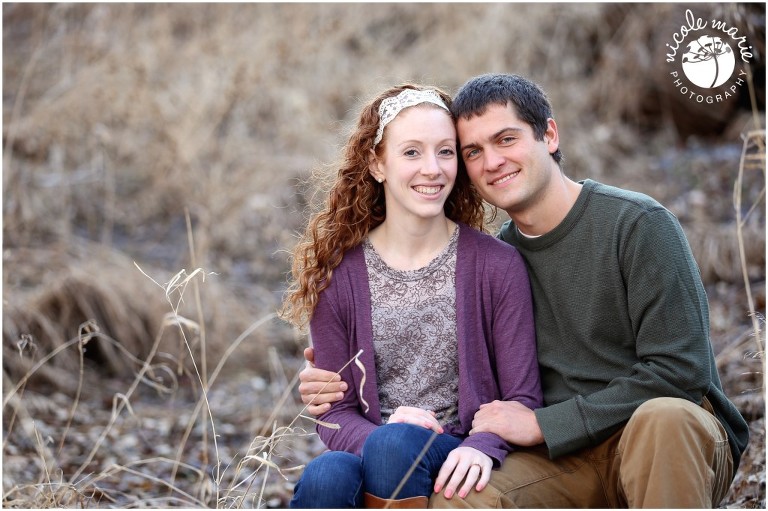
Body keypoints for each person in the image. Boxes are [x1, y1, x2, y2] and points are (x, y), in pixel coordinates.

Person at [297, 73, 750, 508]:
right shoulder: (500, 257)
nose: (492, 161)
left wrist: (540, 423)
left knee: (663, 418)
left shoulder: (636, 225)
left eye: (506, 139)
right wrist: (332, 388)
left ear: (549, 135)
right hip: (566, 455)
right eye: (473, 151)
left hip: (660, 435)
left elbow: (680, 371)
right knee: (462, 497)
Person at [281, 83, 542, 508]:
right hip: (375, 447)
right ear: (376, 164)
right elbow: (332, 414)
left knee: (396, 444)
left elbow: (522, 396)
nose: (433, 169)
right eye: (411, 152)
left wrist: (484, 444)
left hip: (454, 450)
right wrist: (381, 434)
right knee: (326, 473)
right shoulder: (339, 275)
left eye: (445, 151)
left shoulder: (496, 265)